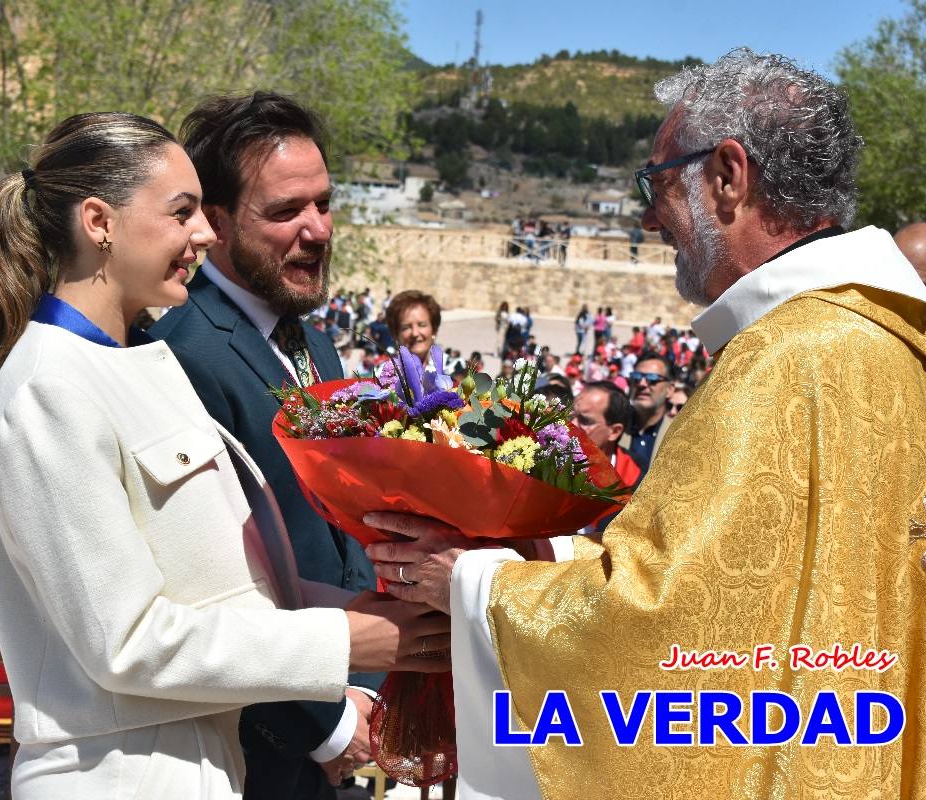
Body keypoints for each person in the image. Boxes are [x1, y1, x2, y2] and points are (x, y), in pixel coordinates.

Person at [365, 49, 926, 798]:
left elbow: (654, 623)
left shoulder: (785, 361)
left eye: (658, 182)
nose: (647, 214)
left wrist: (468, 583)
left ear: (728, 176)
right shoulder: (878, 342)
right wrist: (548, 548)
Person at [0, 111, 447, 799]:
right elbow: (126, 642)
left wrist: (414, 605)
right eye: (182, 211)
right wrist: (344, 641)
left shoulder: (140, 365)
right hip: (114, 775)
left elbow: (228, 583)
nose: (202, 233)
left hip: (199, 763)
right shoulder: (49, 384)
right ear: (99, 222)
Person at [147, 93, 386, 798]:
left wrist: (364, 688)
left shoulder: (313, 342)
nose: (317, 231)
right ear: (214, 223)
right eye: (285, 212)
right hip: (256, 745)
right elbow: (213, 582)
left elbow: (341, 534)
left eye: (323, 203)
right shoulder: (182, 355)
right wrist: (326, 724)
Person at [571, 380, 640, 534]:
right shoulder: (545, 461)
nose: (572, 424)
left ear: (614, 431)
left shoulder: (638, 481)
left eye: (585, 421)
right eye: (571, 415)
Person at [622, 353, 674, 478]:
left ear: (669, 390)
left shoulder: (679, 435)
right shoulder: (614, 429)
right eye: (636, 377)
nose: (642, 384)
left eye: (652, 379)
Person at [387, 290, 443, 367]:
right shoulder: (382, 375)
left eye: (422, 325)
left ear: (434, 329)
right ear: (396, 334)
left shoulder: (454, 370)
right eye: (406, 327)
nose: (415, 333)